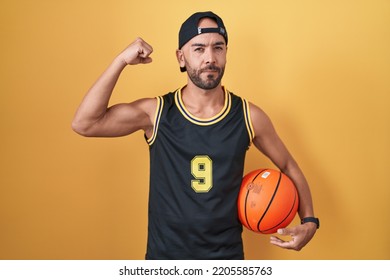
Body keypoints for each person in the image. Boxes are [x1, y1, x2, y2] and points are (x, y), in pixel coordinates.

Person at [72, 11, 319, 260]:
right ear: (181, 57)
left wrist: (309, 221)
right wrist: (120, 61)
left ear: (225, 53)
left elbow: (289, 166)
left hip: (226, 260)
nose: (210, 58)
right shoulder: (156, 113)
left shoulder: (248, 116)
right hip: (165, 261)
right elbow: (85, 123)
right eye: (198, 49)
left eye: (218, 48)